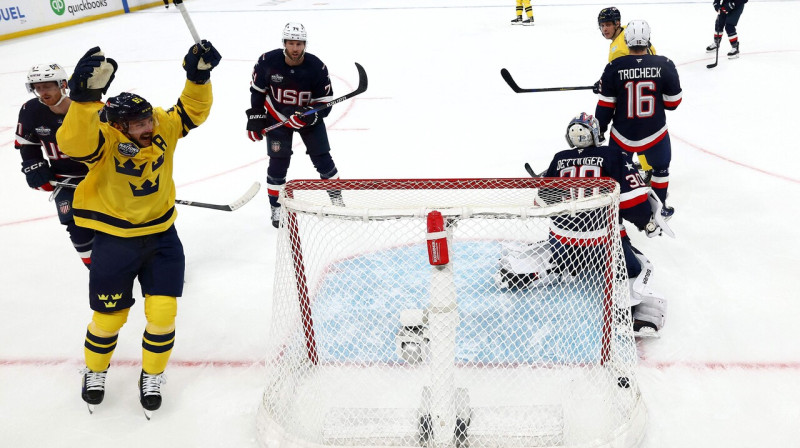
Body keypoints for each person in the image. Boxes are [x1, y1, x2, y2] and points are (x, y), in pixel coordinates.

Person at [55, 42, 221, 417]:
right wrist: (82, 101)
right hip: (115, 242)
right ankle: (95, 371)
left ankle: (153, 374)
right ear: (117, 125)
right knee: (109, 319)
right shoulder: (105, 139)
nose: (147, 127)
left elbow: (191, 111)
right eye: (138, 124)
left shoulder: (160, 124)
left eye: (148, 120)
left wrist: (198, 77)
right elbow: (72, 142)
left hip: (162, 237)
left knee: (163, 314)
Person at [498, 113, 668, 336]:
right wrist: (646, 222)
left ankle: (524, 272)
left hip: (563, 241)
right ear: (596, 134)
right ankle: (629, 313)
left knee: (556, 250)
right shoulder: (613, 154)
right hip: (604, 242)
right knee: (638, 268)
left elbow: (541, 201)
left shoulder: (559, 158)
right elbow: (632, 200)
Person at [246, 22, 343, 228]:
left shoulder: (316, 67)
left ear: (304, 44)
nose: (295, 48)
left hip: (308, 119)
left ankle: (337, 200)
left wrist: (309, 116)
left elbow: (325, 103)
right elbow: (257, 92)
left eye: (299, 43)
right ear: (284, 43)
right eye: (291, 43)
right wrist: (255, 119)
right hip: (277, 117)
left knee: (323, 159)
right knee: (278, 164)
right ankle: (276, 207)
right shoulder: (267, 61)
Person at [595, 20, 682, 218]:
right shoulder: (665, 64)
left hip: (622, 134)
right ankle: (659, 209)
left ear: (626, 39)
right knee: (660, 170)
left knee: (617, 174)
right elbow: (673, 103)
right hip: (655, 132)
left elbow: (606, 106)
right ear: (648, 41)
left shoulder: (614, 67)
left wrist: (599, 129)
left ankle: (615, 213)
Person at [14, 63, 93, 268]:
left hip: (98, 176)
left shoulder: (84, 107)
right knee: (76, 227)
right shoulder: (30, 110)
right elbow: (27, 142)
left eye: (47, 86)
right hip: (63, 181)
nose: (42, 92)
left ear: (63, 85)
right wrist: (33, 164)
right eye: (37, 87)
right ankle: (99, 271)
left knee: (116, 222)